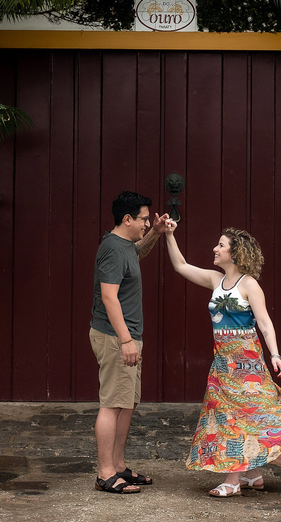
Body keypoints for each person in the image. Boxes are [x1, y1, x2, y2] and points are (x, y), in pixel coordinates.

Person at [163, 223, 281, 497]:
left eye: (221, 245)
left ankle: (232, 481)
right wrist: (169, 235)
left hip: (246, 362)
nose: (215, 248)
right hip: (222, 362)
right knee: (233, 414)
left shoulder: (249, 284)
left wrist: (275, 354)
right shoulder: (216, 280)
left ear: (235, 254)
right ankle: (253, 474)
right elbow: (180, 265)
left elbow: (264, 322)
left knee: (238, 417)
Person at [90, 190, 168, 494]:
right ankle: (105, 473)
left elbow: (139, 250)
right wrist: (125, 340)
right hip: (115, 337)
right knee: (112, 404)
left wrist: (157, 234)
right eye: (144, 219)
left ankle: (119, 466)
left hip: (126, 337)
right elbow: (109, 297)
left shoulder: (124, 246)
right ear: (127, 219)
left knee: (126, 403)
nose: (147, 223)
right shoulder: (111, 248)